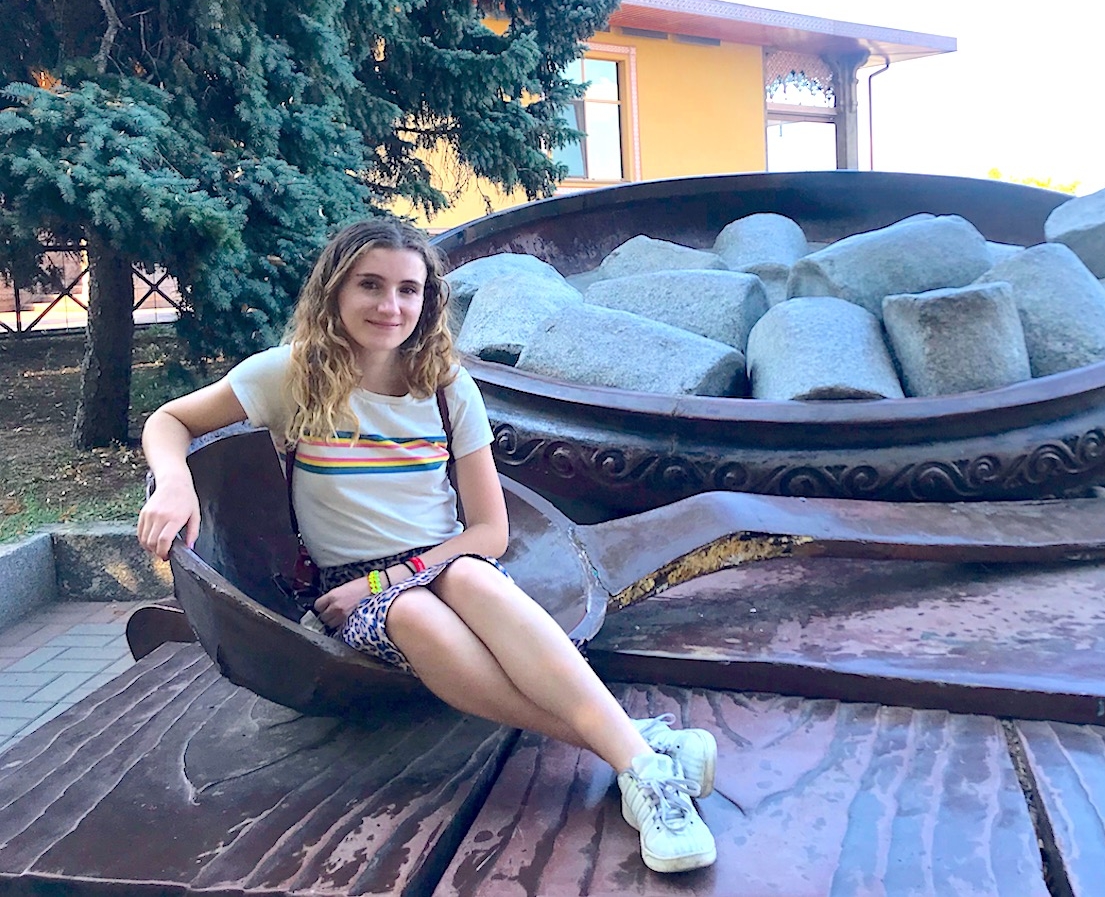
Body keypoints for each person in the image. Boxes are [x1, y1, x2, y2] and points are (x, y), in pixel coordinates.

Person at [136, 217, 717, 874]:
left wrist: (391, 579)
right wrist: (174, 482)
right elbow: (170, 419)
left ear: (428, 301)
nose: (390, 306)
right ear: (334, 291)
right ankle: (637, 747)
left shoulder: (445, 388)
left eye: (408, 290)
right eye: (371, 285)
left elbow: (490, 532)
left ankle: (641, 768)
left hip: (445, 561)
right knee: (413, 611)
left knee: (470, 579)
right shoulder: (291, 376)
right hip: (347, 588)